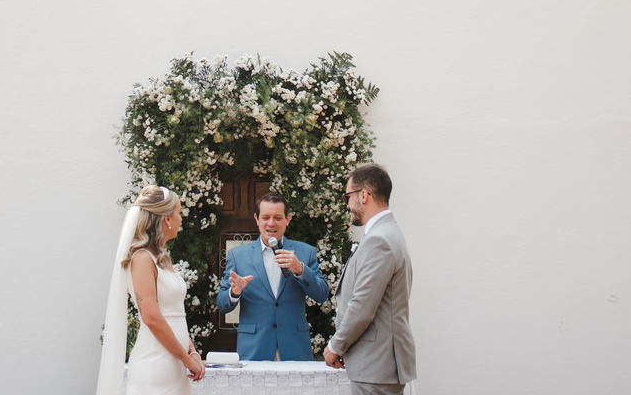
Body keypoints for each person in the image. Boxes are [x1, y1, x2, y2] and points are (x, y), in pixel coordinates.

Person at [97, 185, 204, 395]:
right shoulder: (142, 258)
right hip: (156, 365)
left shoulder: (161, 259)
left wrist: (192, 352)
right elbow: (152, 317)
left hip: (176, 362)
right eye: (178, 213)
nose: (181, 219)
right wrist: (186, 359)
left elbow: (174, 314)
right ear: (166, 219)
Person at [323, 164, 416, 395]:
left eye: (348, 196)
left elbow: (362, 306)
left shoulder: (380, 240)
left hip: (376, 364)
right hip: (378, 364)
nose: (347, 204)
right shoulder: (386, 233)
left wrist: (336, 346)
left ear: (363, 195)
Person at [215, 192, 329, 360]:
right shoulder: (237, 256)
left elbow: (322, 295)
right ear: (257, 219)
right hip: (254, 348)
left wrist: (300, 270)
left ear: (287, 219)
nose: (271, 223)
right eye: (266, 217)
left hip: (294, 347)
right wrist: (234, 293)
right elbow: (222, 305)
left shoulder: (305, 252)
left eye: (277, 217)